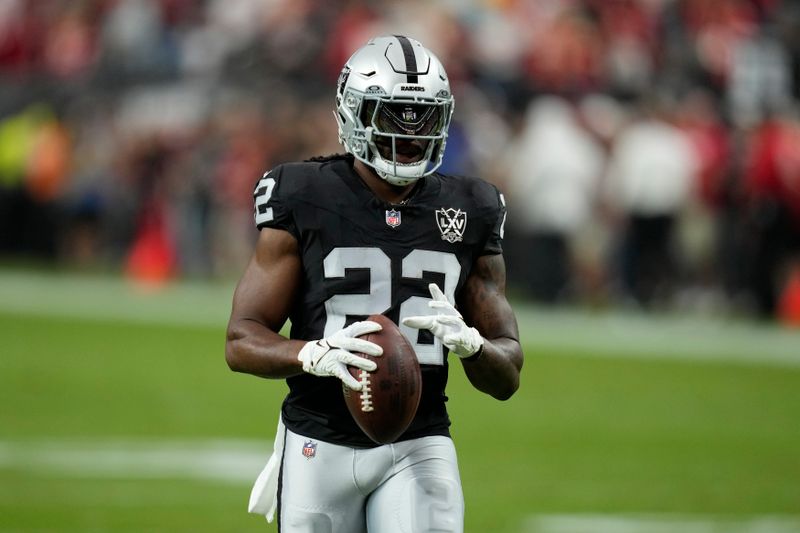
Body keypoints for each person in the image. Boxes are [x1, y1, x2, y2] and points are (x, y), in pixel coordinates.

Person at [225, 35, 523, 532]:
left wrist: (474, 347)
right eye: (393, 115)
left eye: (423, 118)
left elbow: (508, 372)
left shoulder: (472, 206)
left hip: (419, 441)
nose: (410, 135)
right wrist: (311, 354)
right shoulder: (304, 192)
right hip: (318, 441)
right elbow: (241, 339)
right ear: (353, 114)